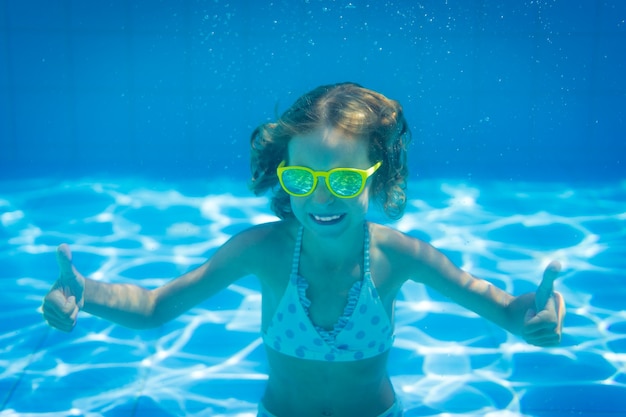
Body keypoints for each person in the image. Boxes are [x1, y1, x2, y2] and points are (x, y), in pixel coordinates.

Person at [42, 82, 565, 417]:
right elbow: (156, 308)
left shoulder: (399, 256)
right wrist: (85, 293)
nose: (319, 197)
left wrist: (531, 318)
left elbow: (503, 309)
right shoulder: (261, 251)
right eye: (301, 177)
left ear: (377, 178)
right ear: (281, 174)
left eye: (342, 180)